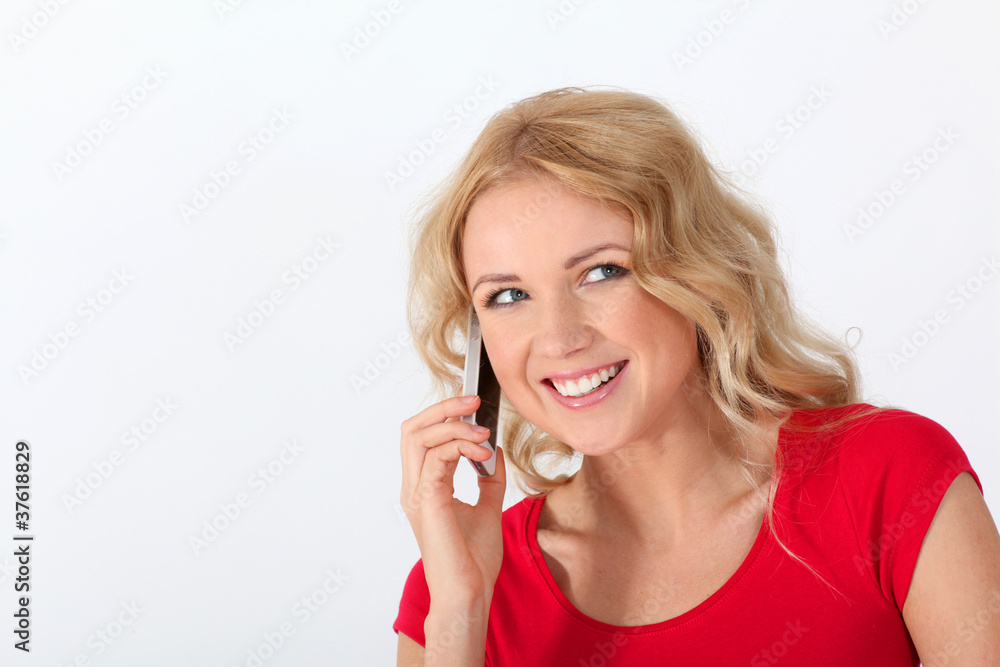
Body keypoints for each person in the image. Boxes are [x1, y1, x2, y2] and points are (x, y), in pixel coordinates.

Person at [394, 87, 1000, 666]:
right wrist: (459, 614)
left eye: (602, 272)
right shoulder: (457, 581)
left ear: (694, 271)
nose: (558, 339)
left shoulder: (888, 479)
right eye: (508, 295)